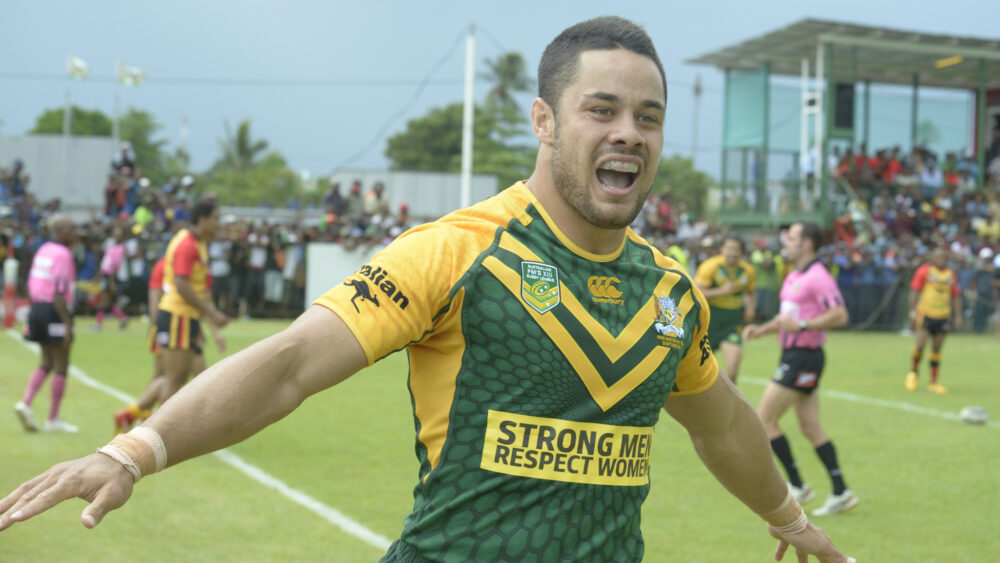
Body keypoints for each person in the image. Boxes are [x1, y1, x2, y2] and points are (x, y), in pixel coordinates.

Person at [0, 18, 853, 563]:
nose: (629, 131)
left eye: (649, 115)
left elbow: (725, 422)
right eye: (602, 109)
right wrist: (134, 451)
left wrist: (786, 514)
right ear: (545, 121)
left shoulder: (671, 291)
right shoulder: (456, 251)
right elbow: (293, 360)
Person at [744, 222, 857, 518]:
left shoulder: (819, 276)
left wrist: (805, 325)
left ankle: (797, 485)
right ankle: (841, 491)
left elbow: (840, 314)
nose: (787, 242)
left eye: (792, 238)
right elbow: (788, 318)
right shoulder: (794, 275)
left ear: (807, 244)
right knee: (810, 427)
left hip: (803, 358)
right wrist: (763, 329)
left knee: (764, 420)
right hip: (794, 354)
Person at [113, 257, 226, 433]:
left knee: (175, 377)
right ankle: (148, 421)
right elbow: (156, 297)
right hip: (173, 327)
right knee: (176, 377)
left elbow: (200, 298)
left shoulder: (195, 263)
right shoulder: (171, 264)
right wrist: (161, 328)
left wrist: (212, 331)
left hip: (186, 327)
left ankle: (134, 416)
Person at [13, 215, 79, 433]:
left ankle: (26, 402)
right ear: (60, 231)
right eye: (71, 229)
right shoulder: (63, 254)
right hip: (54, 308)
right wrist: (67, 323)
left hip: (37, 307)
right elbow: (59, 289)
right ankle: (53, 418)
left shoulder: (44, 250)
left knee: (46, 361)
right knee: (61, 362)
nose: (76, 233)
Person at [694, 236, 756, 382]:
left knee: (733, 369)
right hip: (708, 322)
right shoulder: (710, 266)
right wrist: (721, 291)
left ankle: (726, 402)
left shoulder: (748, 270)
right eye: (729, 248)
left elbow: (751, 292)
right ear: (722, 249)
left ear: (742, 252)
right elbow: (696, 292)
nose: (732, 253)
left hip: (731, 324)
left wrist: (751, 309)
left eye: (736, 249)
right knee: (699, 372)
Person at [905, 246, 961, 394]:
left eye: (944, 257)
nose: (941, 260)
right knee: (920, 345)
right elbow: (914, 291)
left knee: (937, 348)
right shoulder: (924, 271)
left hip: (943, 315)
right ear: (932, 258)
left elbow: (955, 295)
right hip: (926, 314)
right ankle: (913, 373)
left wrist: (958, 316)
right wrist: (912, 311)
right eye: (938, 257)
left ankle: (934, 382)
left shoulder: (951, 274)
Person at [92, 226, 129, 331]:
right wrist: (98, 276)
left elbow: (114, 266)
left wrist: (111, 281)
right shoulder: (111, 246)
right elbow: (106, 263)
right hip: (106, 276)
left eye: (118, 233)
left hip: (110, 277)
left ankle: (98, 324)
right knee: (107, 302)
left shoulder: (120, 249)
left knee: (103, 301)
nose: (116, 235)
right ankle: (123, 318)